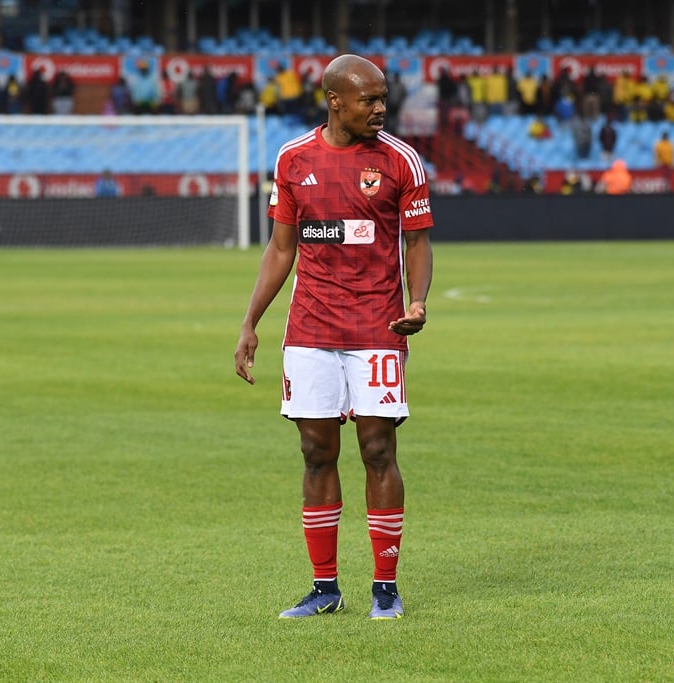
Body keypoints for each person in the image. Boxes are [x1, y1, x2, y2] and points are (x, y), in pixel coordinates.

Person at [234, 54, 433, 621]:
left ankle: (385, 589)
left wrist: (417, 302)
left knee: (377, 449)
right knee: (316, 453)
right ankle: (324, 588)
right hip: (311, 328)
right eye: (369, 99)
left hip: (377, 326)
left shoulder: (401, 162)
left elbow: (417, 242)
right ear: (335, 100)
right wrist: (251, 321)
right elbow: (281, 249)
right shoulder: (294, 159)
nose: (380, 108)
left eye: (383, 98)